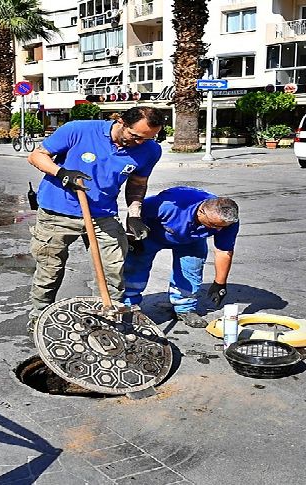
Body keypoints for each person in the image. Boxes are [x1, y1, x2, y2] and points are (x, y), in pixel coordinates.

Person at [26, 106, 165, 328]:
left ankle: (105, 318)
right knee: (50, 269)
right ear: (120, 121)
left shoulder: (150, 150)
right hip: (57, 212)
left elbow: (138, 183)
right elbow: (36, 156)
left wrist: (134, 214)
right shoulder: (78, 130)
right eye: (135, 136)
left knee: (113, 268)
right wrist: (62, 173)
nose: (139, 143)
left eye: (147, 139)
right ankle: (39, 318)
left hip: (103, 214)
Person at [122, 187, 239, 328]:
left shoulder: (227, 221)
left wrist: (220, 283)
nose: (218, 230)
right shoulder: (169, 205)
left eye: (222, 227)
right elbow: (136, 211)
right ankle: (129, 306)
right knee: (135, 267)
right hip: (152, 234)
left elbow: (223, 251)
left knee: (191, 270)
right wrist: (133, 237)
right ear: (201, 212)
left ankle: (185, 308)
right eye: (214, 225)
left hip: (191, 239)